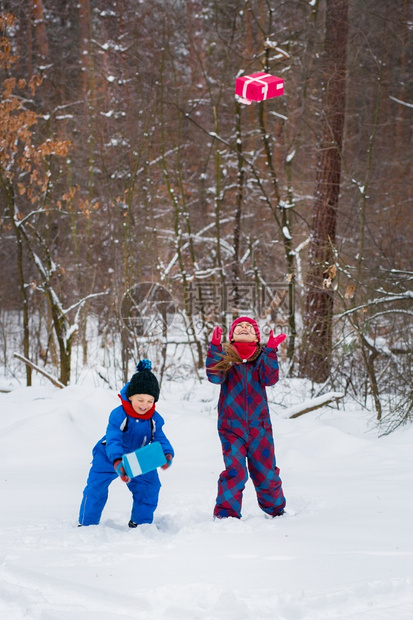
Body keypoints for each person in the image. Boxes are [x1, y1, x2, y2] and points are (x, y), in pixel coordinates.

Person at [206, 317, 286, 519]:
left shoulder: (261, 358)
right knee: (236, 472)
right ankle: (226, 515)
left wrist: (270, 351)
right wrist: (215, 348)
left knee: (266, 474)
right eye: (239, 326)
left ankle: (277, 511)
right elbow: (215, 377)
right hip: (231, 428)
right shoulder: (226, 358)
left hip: (260, 428)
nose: (243, 327)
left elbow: (270, 379)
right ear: (231, 336)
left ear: (257, 337)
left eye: (249, 327)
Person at [78, 359, 174, 528]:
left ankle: (140, 523)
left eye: (149, 401)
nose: (145, 405)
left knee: (150, 486)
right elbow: (113, 438)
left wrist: (166, 454)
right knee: (96, 487)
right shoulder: (119, 415)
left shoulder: (154, 419)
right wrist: (116, 460)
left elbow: (160, 437)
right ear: (130, 397)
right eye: (140, 400)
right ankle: (87, 524)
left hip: (139, 456)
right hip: (108, 455)